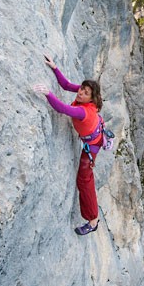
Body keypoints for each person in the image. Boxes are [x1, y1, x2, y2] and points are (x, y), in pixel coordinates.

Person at [34, 54, 103, 235]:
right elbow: (66, 85)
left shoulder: (83, 111)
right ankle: (93, 215)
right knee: (87, 177)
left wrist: (48, 94)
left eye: (86, 93)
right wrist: (55, 67)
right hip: (96, 134)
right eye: (81, 89)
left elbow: (63, 109)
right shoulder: (85, 98)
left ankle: (93, 220)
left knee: (84, 179)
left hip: (93, 146)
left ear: (91, 99)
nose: (80, 92)